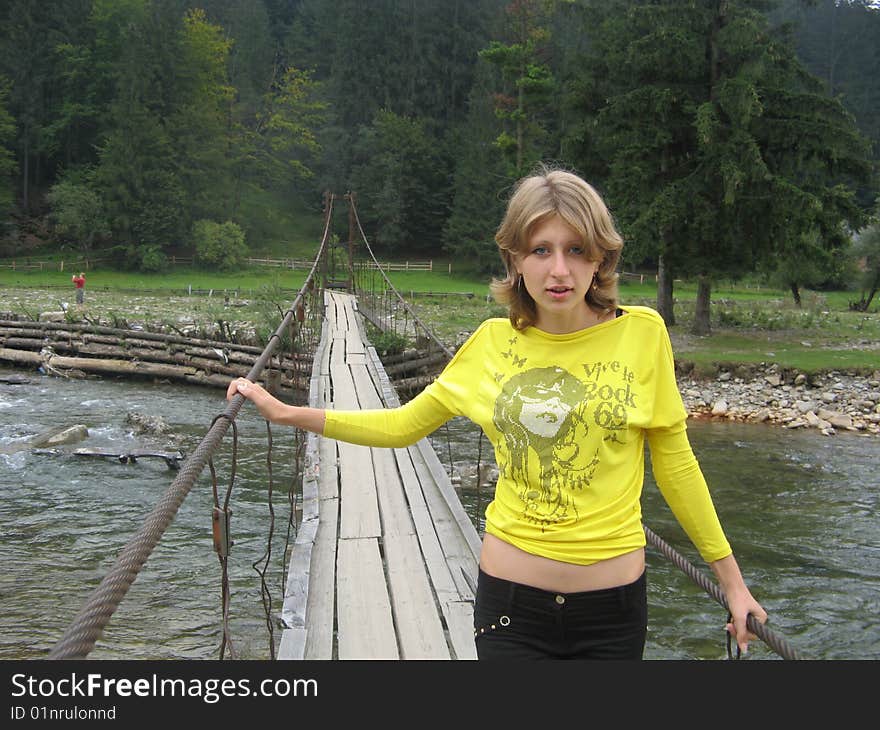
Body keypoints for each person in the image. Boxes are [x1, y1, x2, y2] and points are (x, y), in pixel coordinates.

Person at [227, 164, 767, 660]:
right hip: (511, 611)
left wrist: (733, 584)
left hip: (613, 615)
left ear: (601, 257)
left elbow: (676, 467)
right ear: (514, 258)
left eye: (577, 250)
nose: (560, 270)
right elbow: (401, 425)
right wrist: (288, 414)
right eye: (541, 250)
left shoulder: (643, 334)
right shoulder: (488, 346)